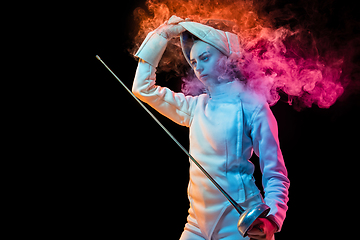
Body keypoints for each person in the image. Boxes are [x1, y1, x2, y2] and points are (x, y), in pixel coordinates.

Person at [132, 15, 290, 240]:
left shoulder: (253, 105)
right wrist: (162, 35)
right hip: (196, 222)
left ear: (227, 56)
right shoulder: (196, 106)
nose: (198, 68)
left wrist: (272, 219)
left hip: (241, 224)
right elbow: (142, 89)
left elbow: (275, 174)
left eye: (205, 58)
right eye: (194, 62)